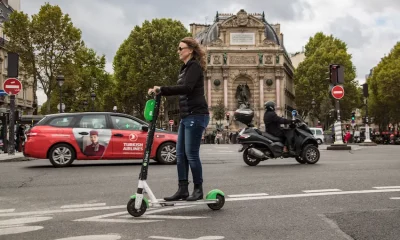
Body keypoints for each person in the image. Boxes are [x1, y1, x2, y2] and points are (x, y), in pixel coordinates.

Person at [148, 37, 209, 201]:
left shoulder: (194, 66)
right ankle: (182, 189)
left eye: (180, 48)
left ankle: (198, 189)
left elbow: (187, 88)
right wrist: (161, 91)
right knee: (180, 155)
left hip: (196, 115)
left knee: (191, 154)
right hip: (186, 116)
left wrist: (162, 89)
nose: (178, 51)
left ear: (190, 50)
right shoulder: (184, 68)